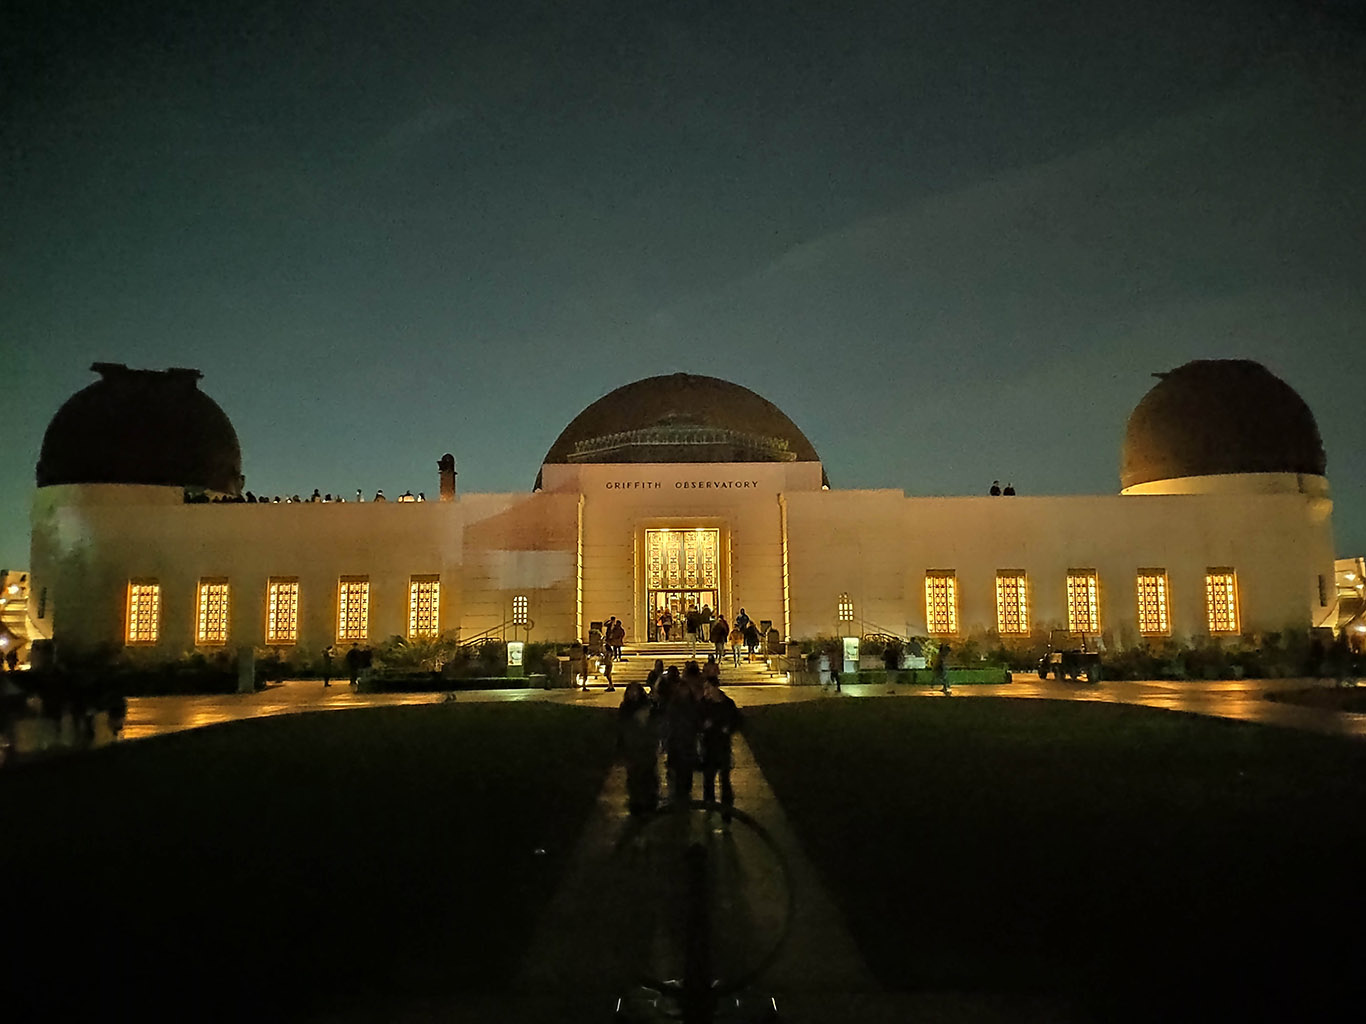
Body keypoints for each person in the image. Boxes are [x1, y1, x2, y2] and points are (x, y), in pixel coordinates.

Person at [699, 679, 742, 822]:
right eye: (705, 688)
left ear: (715, 687)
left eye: (708, 688)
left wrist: (728, 728)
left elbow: (738, 721)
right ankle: (709, 806)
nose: (706, 691)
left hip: (722, 747)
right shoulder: (704, 704)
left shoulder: (728, 704)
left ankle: (726, 810)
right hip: (709, 746)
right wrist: (703, 726)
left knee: (725, 780)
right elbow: (697, 721)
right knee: (709, 779)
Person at [617, 683, 660, 816]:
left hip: (646, 747)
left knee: (647, 774)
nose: (634, 694)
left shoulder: (648, 708)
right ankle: (636, 802)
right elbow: (621, 729)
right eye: (631, 692)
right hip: (632, 747)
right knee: (634, 776)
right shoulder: (625, 709)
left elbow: (655, 725)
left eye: (636, 691)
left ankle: (649, 800)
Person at [663, 666, 701, 807]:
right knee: (679, 769)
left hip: (687, 741)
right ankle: (679, 793)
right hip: (678, 741)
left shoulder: (690, 704)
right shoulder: (675, 705)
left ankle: (685, 792)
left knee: (686, 769)